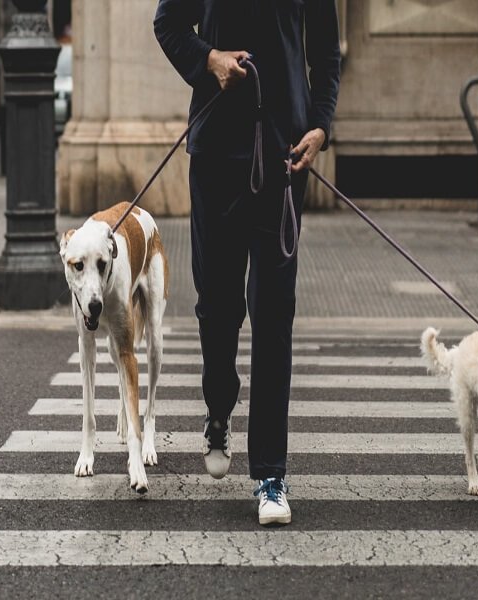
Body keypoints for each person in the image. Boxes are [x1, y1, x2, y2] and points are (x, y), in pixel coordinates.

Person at [154, 0, 341, 526]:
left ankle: (270, 474)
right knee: (217, 306)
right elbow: (167, 24)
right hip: (215, 156)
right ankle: (218, 409)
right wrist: (208, 58)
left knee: (274, 311)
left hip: (283, 157)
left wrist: (320, 125)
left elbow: (326, 51)